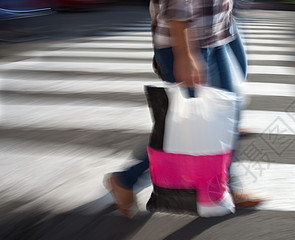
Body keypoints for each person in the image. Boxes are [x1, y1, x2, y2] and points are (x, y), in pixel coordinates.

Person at [105, 0, 261, 218]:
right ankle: (125, 179)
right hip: (187, 39)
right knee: (186, 127)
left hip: (218, 32)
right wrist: (185, 53)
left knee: (226, 115)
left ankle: (227, 185)